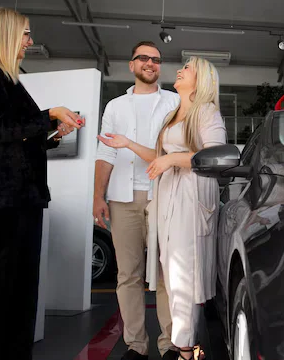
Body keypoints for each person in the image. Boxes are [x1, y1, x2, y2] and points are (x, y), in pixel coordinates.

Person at [0, 6, 83, 360]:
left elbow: (17, 138)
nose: (30, 41)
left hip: (22, 196)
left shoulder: (7, 78)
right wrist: (50, 114)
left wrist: (52, 132)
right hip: (5, 197)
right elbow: (1, 129)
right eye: (26, 33)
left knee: (19, 287)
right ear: (7, 33)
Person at [100, 57, 225, 360]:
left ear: (201, 79)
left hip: (190, 199)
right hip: (167, 198)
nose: (179, 70)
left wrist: (172, 160)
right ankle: (184, 348)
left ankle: (186, 351)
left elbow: (216, 156)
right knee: (172, 275)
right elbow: (158, 156)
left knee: (182, 277)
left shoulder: (206, 112)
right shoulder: (174, 113)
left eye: (188, 68)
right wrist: (128, 143)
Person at [94, 41, 180, 360]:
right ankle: (136, 345)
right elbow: (105, 153)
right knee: (128, 273)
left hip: (164, 195)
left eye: (156, 59)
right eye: (143, 58)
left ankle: (170, 344)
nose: (150, 63)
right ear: (131, 65)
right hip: (122, 197)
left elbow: (177, 150)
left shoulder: (174, 101)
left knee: (165, 273)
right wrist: (98, 196)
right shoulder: (115, 106)